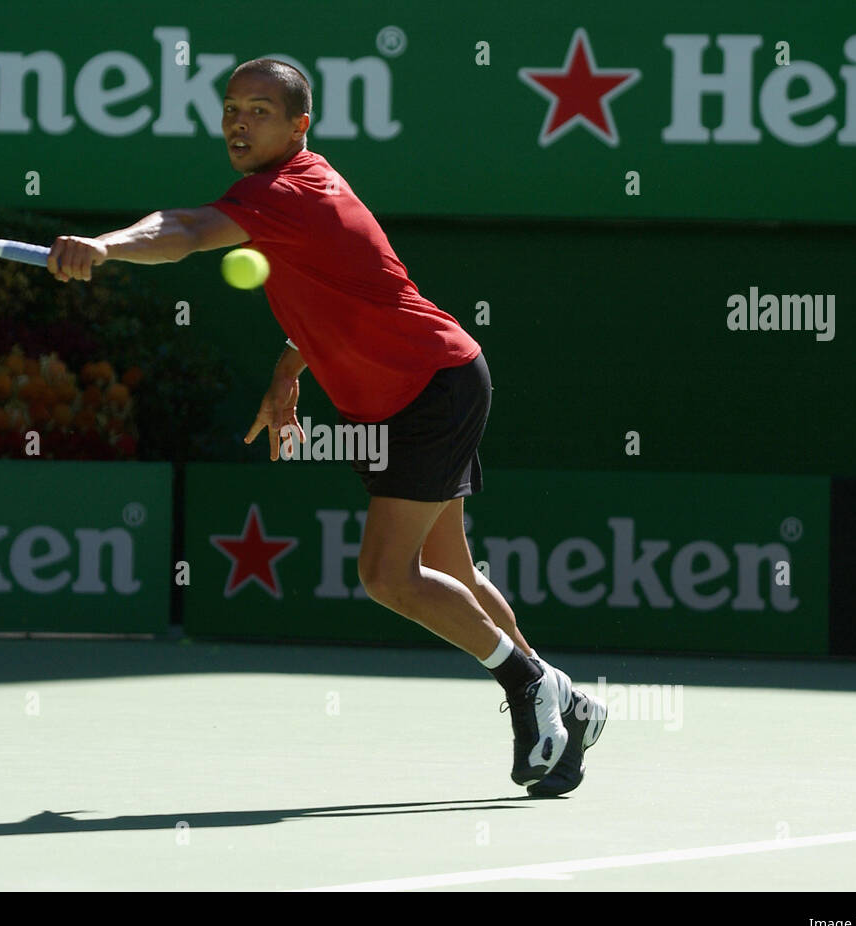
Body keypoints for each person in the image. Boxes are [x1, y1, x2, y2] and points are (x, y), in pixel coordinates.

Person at [47, 58, 604, 795]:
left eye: (260, 110)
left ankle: (527, 683)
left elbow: (183, 229)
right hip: (431, 382)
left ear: (298, 125)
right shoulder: (301, 186)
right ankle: (563, 702)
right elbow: (345, 294)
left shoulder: (284, 192)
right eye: (231, 108)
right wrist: (289, 368)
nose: (239, 123)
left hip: (428, 390)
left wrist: (108, 245)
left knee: (385, 574)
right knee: (455, 575)